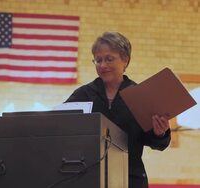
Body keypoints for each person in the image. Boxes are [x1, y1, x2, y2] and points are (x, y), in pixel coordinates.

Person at [65, 31, 171, 188]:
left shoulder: (140, 95)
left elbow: (157, 143)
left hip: (130, 179)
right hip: (89, 179)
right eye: (98, 60)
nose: (102, 65)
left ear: (125, 60)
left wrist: (160, 133)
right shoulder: (83, 94)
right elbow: (62, 129)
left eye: (109, 59)